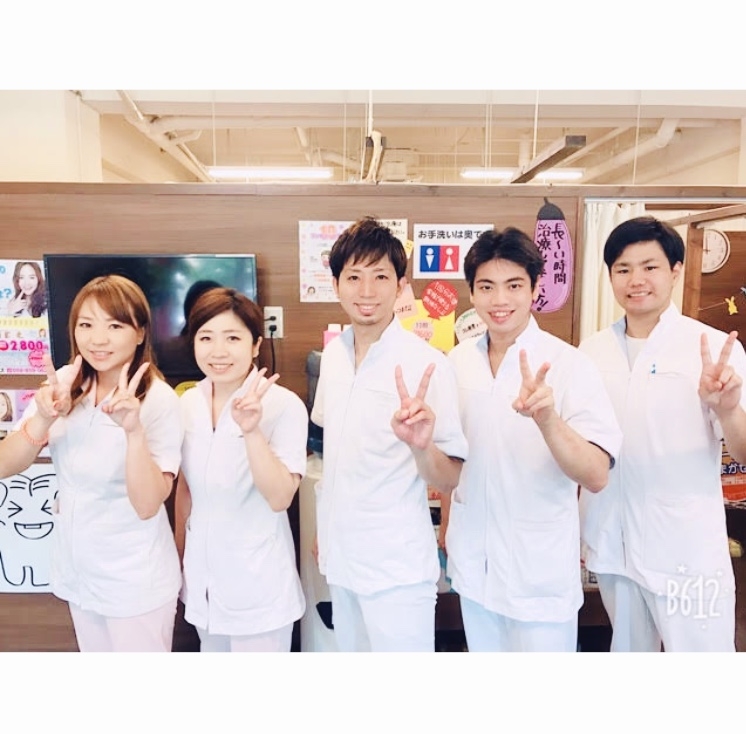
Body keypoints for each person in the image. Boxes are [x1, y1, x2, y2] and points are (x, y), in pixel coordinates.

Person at [444, 226, 622, 652]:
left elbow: (596, 475)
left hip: (537, 571)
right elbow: (455, 457)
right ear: (472, 293)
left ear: (535, 288)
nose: (499, 300)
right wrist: (448, 524)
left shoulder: (568, 364)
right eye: (486, 286)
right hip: (474, 564)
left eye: (514, 285)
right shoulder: (457, 362)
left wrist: (547, 420)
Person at [579, 216, 746, 652]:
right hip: (612, 542)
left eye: (649, 267)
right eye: (623, 269)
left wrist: (727, 408)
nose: (636, 280)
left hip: (684, 548)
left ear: (675, 270)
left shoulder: (711, 348)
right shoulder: (590, 352)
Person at [0, 274, 183, 652]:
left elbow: (148, 505)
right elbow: (6, 464)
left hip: (135, 580)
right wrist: (43, 418)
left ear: (140, 333)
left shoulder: (159, 399)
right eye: (86, 325)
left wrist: (133, 432)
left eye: (114, 326)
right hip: (78, 570)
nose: (98, 339)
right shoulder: (65, 382)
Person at [311, 216, 468, 652]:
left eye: (380, 277)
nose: (366, 291)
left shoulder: (427, 364)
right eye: (354, 277)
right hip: (342, 560)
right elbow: (336, 457)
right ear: (336, 284)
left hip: (397, 569)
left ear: (400, 287)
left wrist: (422, 446)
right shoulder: (333, 357)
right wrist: (326, 530)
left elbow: (450, 477)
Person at [174, 288, 307, 652]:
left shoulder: (283, 405)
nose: (218, 351)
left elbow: (280, 497)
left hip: (258, 584)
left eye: (232, 338)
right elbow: (186, 490)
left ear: (255, 345)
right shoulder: (188, 404)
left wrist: (251, 431)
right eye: (206, 338)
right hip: (202, 583)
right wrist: (180, 560)